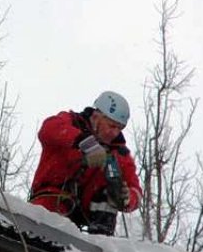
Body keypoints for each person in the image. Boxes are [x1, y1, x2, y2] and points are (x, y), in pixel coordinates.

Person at [29, 91, 141, 235]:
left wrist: (127, 197)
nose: (115, 133)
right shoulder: (69, 122)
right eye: (112, 126)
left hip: (89, 214)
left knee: (110, 193)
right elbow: (48, 129)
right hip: (49, 202)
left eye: (120, 128)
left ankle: (101, 246)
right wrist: (86, 143)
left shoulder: (119, 154)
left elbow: (135, 189)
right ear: (95, 117)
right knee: (45, 227)